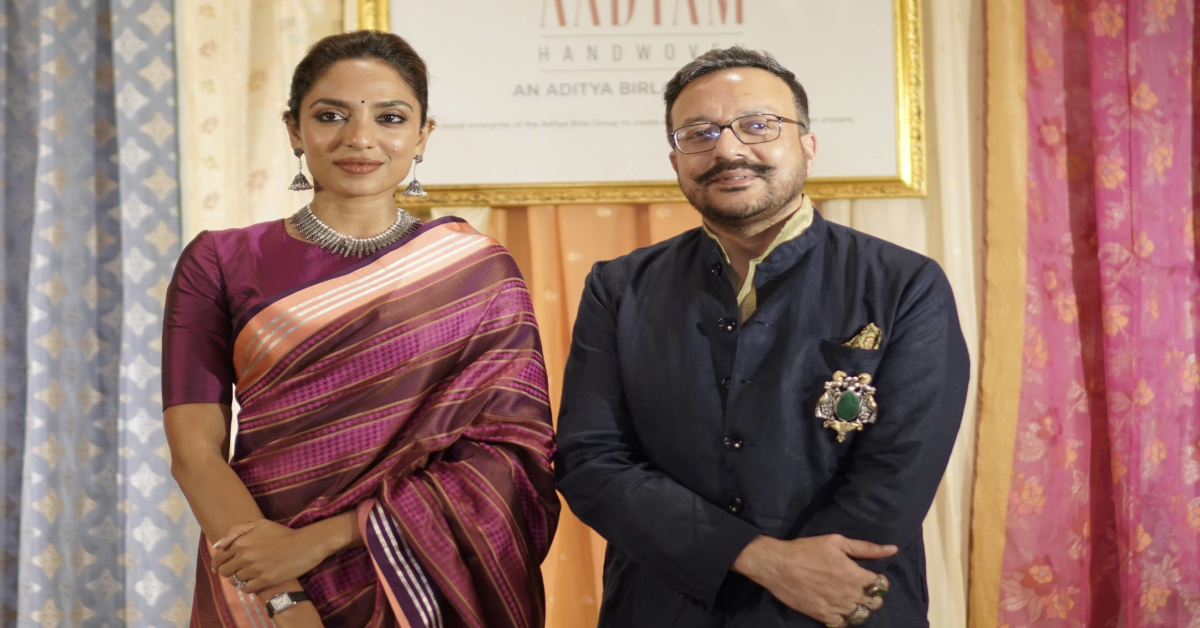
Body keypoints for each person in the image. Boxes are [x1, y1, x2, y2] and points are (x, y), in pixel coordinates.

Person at [555, 47, 969, 627]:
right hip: (664, 607)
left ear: (807, 145)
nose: (727, 150)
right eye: (699, 134)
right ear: (675, 161)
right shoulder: (619, 288)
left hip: (839, 603)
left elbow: (900, 468)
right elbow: (591, 461)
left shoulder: (904, 284)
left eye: (757, 125)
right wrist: (761, 560)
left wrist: (809, 579)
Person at [163, 31, 559, 628]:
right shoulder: (220, 261)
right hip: (257, 570)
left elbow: (509, 456)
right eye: (330, 116)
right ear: (294, 130)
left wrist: (320, 540)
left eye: (390, 118)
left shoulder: (478, 271)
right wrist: (282, 596)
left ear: (422, 136)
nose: (360, 139)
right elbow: (194, 451)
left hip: (426, 580)